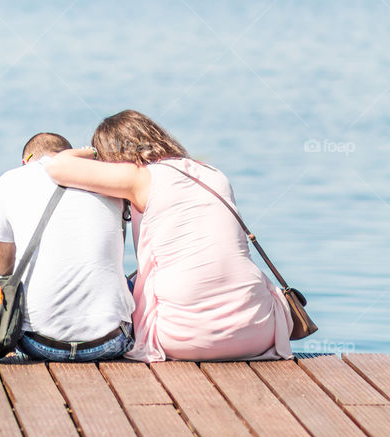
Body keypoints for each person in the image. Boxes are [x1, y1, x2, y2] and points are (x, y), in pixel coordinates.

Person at [45, 110, 293, 362]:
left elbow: (57, 166)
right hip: (260, 330)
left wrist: (94, 153)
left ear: (115, 155)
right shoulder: (214, 173)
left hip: (182, 337)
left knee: (117, 286)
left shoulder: (139, 177)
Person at [0, 132, 135, 361]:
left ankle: (8, 344)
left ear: (26, 161)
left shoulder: (10, 179)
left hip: (37, 343)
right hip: (111, 342)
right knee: (131, 280)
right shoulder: (108, 181)